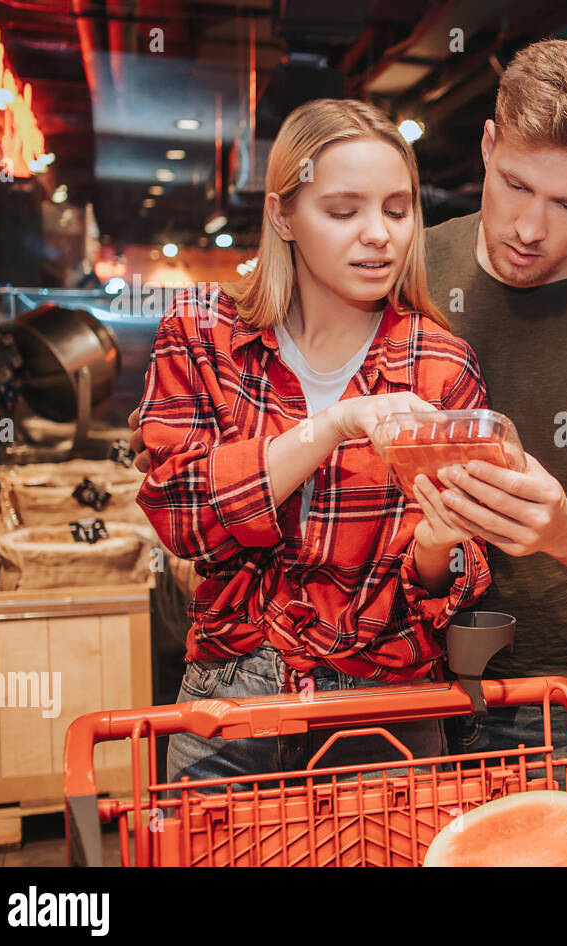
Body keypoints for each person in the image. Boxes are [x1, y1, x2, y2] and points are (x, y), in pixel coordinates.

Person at [131, 39, 567, 776]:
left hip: (549, 690)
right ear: (487, 144)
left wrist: (562, 527)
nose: (529, 227)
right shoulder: (404, 261)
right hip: (396, 687)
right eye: (514, 185)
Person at [136, 99, 490, 787]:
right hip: (229, 697)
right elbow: (183, 519)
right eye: (343, 210)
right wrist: (332, 424)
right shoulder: (204, 337)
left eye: (396, 208)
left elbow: (450, 584)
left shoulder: (440, 366)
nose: (378, 235)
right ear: (282, 215)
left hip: (385, 711)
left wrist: (438, 545)